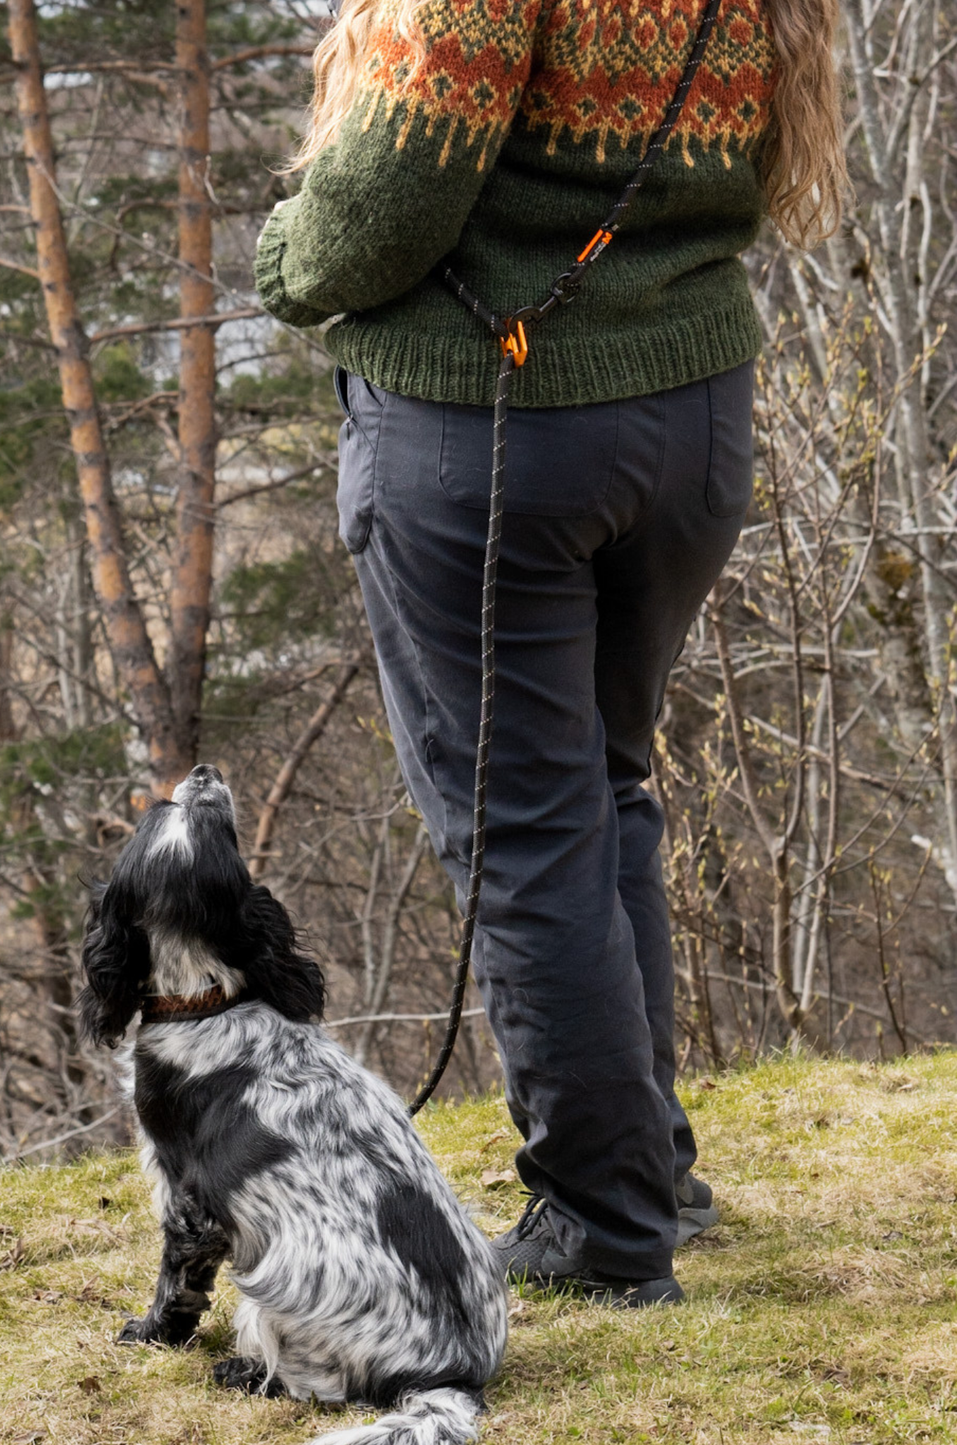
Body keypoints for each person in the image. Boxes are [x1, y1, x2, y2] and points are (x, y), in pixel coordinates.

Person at [255, 0, 845, 1305]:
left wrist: (284, 262)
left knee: (525, 829)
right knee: (603, 789)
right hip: (688, 420)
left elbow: (379, 212)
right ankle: (651, 1176)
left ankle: (603, 1226)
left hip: (495, 425)